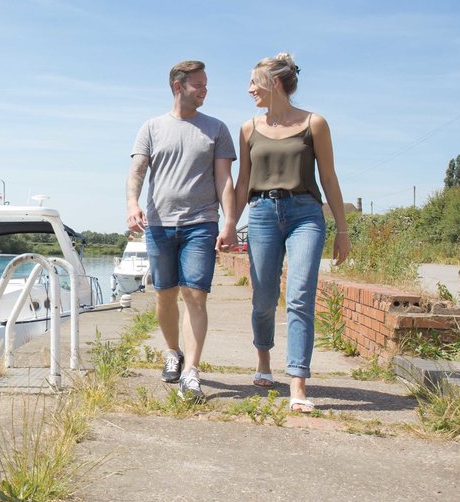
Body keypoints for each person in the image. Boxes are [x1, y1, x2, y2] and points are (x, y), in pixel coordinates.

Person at [232, 52, 350, 413]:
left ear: (275, 83)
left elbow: (328, 177)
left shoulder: (315, 123)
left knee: (300, 296)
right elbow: (242, 183)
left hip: (305, 215)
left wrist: (342, 230)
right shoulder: (249, 128)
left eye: (255, 82)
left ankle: (297, 384)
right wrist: (227, 225)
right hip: (262, 213)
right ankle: (264, 363)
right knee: (264, 297)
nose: (250, 88)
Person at [126, 60, 237, 400]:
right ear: (178, 87)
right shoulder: (151, 127)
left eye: (205, 85)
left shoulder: (216, 129)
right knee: (165, 295)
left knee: (195, 295)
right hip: (160, 224)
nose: (205, 90)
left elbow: (224, 179)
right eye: (198, 85)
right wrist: (132, 205)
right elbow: (137, 171)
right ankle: (173, 351)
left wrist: (229, 221)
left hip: (201, 223)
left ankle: (192, 370)